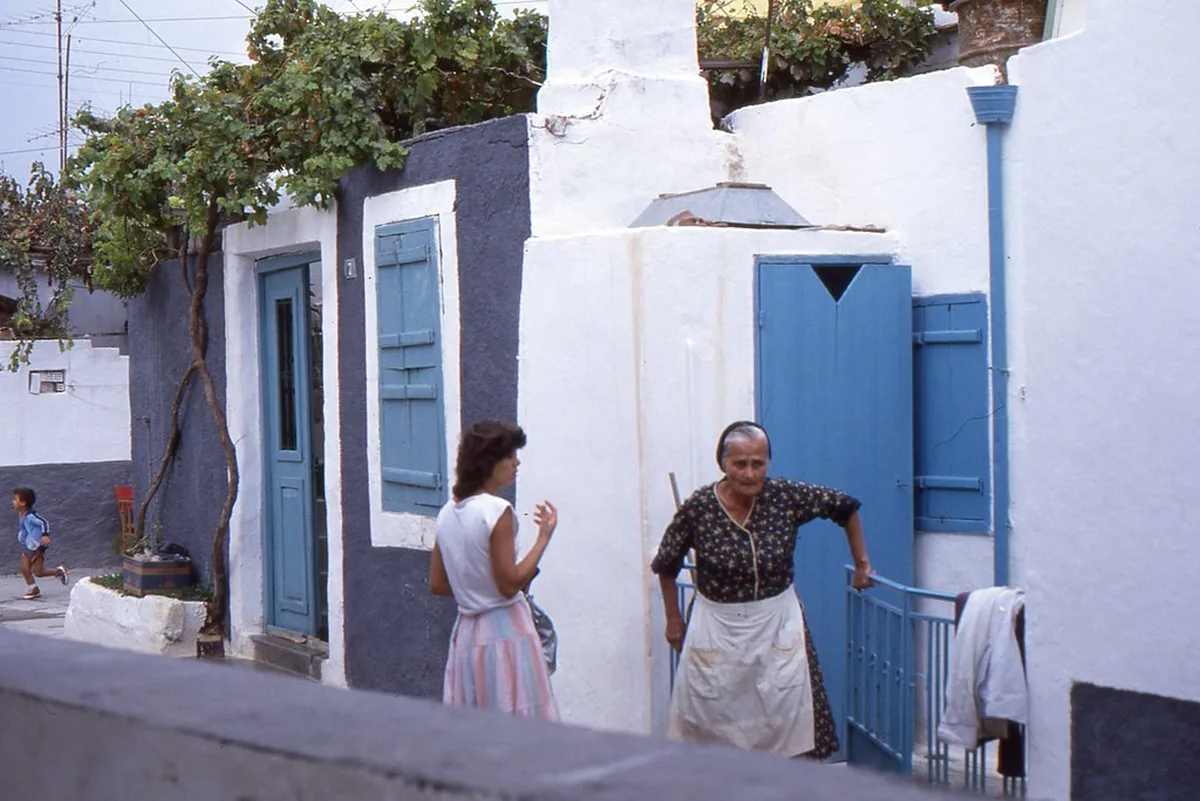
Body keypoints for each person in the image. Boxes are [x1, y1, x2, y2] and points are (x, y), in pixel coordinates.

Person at [651, 421, 874, 759]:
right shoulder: (699, 508)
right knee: (710, 725)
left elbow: (845, 507)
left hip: (777, 625)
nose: (750, 473)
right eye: (739, 464)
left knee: (788, 721)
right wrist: (673, 618)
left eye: (758, 463)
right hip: (717, 627)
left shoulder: (785, 497)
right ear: (723, 464)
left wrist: (861, 565)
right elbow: (666, 564)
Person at [428, 420, 560, 721]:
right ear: (490, 463)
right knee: (518, 719)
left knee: (474, 722)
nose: (516, 462)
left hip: (466, 631)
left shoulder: (447, 513)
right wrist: (543, 537)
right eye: (509, 456)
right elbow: (509, 584)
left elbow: (437, 583)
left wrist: (473, 591)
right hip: (505, 629)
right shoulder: (496, 511)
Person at [12, 487, 69, 600]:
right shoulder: (22, 515)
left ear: (23, 503)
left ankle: (59, 571)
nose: (13, 502)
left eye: (15, 499)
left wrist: (45, 535)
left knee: (38, 572)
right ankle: (33, 588)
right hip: (28, 546)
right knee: (25, 568)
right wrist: (22, 537)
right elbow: (24, 529)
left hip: (37, 547)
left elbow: (44, 522)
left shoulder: (31, 516)